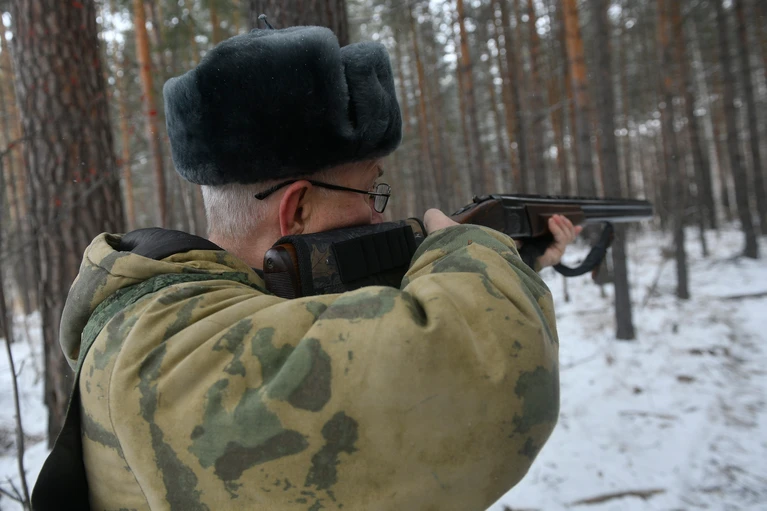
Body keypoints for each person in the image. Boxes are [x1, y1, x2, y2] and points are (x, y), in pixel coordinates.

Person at [32, 24, 580, 511]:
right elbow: (489, 376)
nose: (378, 214)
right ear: (296, 209)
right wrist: (468, 249)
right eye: (372, 190)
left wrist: (516, 257)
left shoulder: (195, 310)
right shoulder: (177, 358)